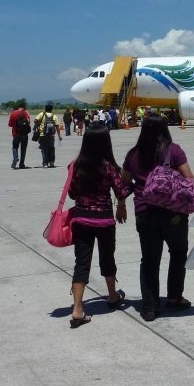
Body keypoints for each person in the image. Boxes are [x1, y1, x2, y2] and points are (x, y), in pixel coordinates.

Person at [120, 114, 194, 322]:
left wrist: (122, 201)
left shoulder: (134, 154)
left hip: (145, 213)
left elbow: (123, 182)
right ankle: (175, 297)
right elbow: (190, 179)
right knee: (177, 254)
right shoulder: (174, 150)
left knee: (149, 260)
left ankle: (150, 306)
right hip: (174, 215)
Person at [67, 125, 130, 328]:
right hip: (103, 220)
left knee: (82, 262)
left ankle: (77, 309)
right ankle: (112, 296)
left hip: (81, 219)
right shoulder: (108, 167)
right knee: (107, 257)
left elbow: (72, 194)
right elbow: (121, 192)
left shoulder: (74, 166)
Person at [8, 105, 31, 169]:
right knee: (23, 149)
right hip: (25, 134)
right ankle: (21, 164)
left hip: (16, 134)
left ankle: (15, 157)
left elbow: (10, 124)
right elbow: (28, 122)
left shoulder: (13, 113)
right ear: (24, 108)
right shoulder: (26, 112)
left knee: (15, 147)